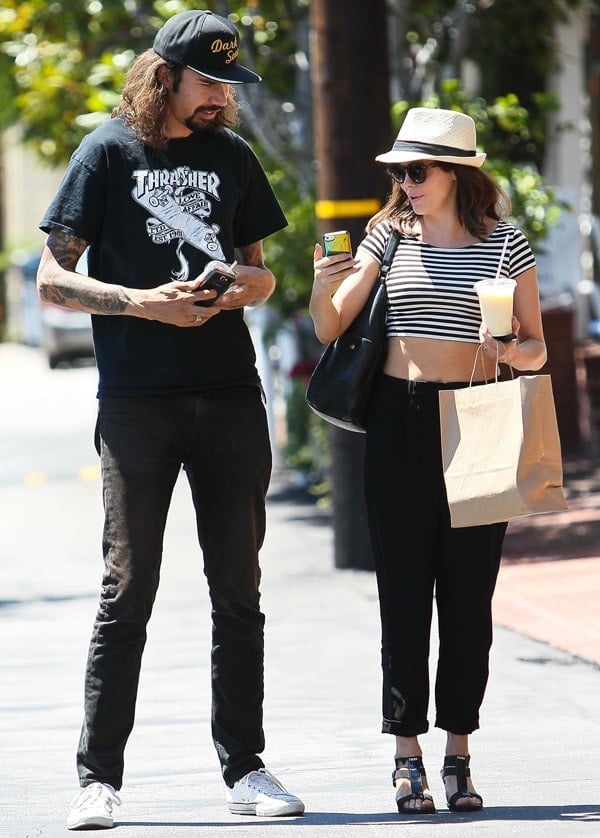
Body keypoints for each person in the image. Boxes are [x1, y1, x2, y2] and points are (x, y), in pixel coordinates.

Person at [37, 9, 304, 830]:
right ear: (166, 78)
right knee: (129, 588)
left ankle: (247, 769)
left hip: (228, 394)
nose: (223, 97)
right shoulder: (107, 153)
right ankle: (99, 778)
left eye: (229, 83)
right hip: (136, 405)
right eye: (211, 81)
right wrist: (141, 305)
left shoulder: (233, 156)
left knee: (239, 586)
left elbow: (261, 277)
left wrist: (234, 290)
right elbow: (52, 277)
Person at [309, 107, 546, 814]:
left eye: (417, 171)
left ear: (457, 174)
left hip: (480, 417)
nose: (405, 183)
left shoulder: (506, 245)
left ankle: (459, 753)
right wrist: (328, 281)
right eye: (399, 172)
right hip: (397, 419)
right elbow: (332, 326)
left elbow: (535, 348)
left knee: (469, 600)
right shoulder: (389, 234)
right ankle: (406, 750)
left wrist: (508, 349)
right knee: (404, 594)